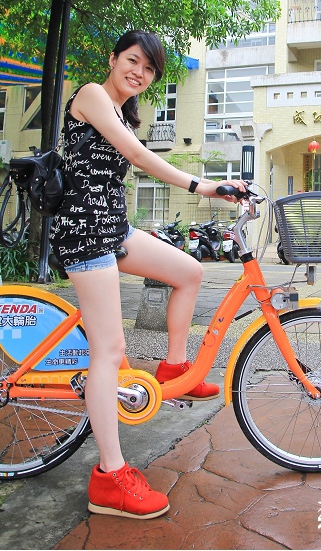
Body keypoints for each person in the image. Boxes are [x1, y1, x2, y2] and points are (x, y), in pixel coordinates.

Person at [50, 30, 246, 520]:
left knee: (188, 270)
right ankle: (110, 477)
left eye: (149, 69)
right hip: (86, 233)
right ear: (113, 59)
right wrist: (204, 186)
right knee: (110, 350)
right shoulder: (92, 95)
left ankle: (174, 367)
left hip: (113, 228)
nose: (139, 72)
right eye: (133, 61)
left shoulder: (121, 111)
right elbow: (138, 157)